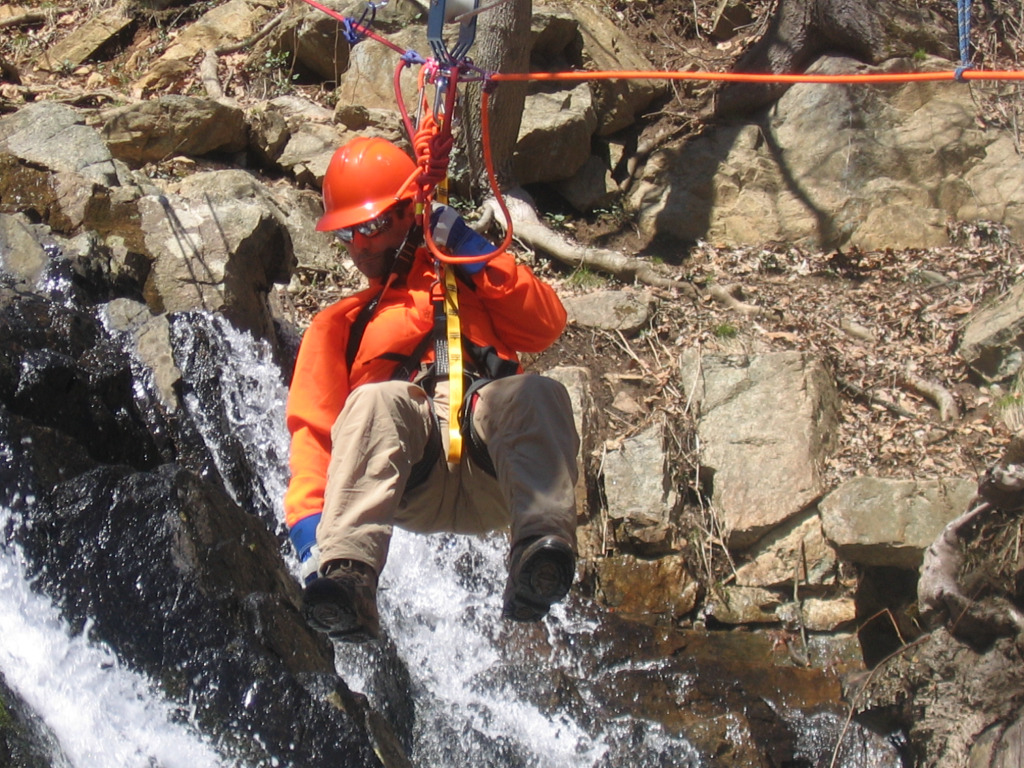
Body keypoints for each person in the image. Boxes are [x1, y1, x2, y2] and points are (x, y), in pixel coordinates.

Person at [284, 136, 579, 642]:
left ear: (406, 213)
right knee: (379, 400)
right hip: (406, 478)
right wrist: (311, 535)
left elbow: (545, 325)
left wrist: (470, 250)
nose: (360, 245)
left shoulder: (475, 283)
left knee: (534, 392)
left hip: (496, 469)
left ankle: (541, 552)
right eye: (347, 234)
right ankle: (349, 578)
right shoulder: (342, 325)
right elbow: (314, 435)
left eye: (371, 227)